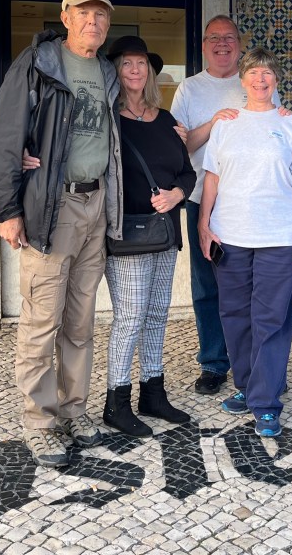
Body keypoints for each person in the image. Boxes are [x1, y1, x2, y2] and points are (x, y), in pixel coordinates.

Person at [0, 0, 122, 468]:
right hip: (52, 206)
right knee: (42, 321)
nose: (92, 22)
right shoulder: (39, 63)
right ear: (65, 18)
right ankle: (40, 423)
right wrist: (6, 210)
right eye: (84, 13)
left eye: (100, 15)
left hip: (96, 206)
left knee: (80, 323)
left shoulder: (107, 72)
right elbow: (2, 136)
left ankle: (74, 411)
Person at [197, 47, 292, 438]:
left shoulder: (290, 124)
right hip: (230, 235)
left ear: (275, 80)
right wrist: (204, 225)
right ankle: (247, 387)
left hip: (279, 236)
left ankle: (265, 403)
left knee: (271, 319)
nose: (260, 80)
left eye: (267, 73)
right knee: (235, 316)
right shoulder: (226, 124)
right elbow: (211, 178)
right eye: (253, 73)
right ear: (242, 79)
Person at [170, 16, 280, 395]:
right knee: (206, 286)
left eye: (229, 37)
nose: (222, 44)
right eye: (214, 38)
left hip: (249, 206)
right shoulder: (189, 89)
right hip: (201, 200)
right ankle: (214, 363)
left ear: (239, 43)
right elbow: (180, 147)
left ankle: (254, 363)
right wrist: (214, 123)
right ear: (204, 45)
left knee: (252, 288)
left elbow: (275, 132)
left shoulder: (255, 81)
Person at [100, 35, 196, 436]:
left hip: (165, 233)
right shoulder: (107, 121)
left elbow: (187, 173)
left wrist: (177, 195)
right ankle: (116, 402)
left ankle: (153, 393)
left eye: (141, 63)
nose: (135, 69)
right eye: (127, 63)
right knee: (130, 318)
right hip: (126, 236)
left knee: (157, 315)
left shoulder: (165, 121)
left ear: (151, 72)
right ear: (116, 71)